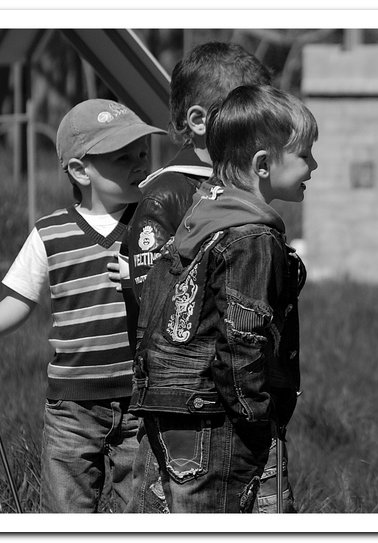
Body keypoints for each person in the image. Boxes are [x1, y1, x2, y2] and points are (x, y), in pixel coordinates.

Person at [116, 42, 295, 513]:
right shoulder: (170, 192)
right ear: (201, 121)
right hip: (192, 390)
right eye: (244, 110)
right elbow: (156, 291)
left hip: (223, 389)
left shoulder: (234, 194)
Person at [0, 98, 166, 512]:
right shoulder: (50, 233)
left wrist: (147, 277)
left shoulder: (155, 224)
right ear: (79, 170)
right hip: (72, 407)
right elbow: (18, 301)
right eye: (121, 156)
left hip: (143, 400)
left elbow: (181, 291)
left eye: (142, 152)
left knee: (141, 510)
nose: (139, 163)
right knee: (64, 511)